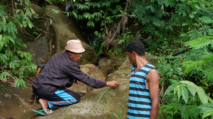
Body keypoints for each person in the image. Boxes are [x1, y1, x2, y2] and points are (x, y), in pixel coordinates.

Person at [32, 40, 120, 115]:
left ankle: (43, 98)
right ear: (72, 52)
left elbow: (44, 67)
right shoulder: (70, 64)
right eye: (79, 53)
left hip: (36, 87)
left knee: (64, 92)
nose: (81, 55)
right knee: (75, 98)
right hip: (47, 90)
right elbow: (87, 80)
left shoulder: (57, 56)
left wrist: (73, 75)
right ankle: (47, 102)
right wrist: (107, 83)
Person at [126, 40, 159, 119]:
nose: (128, 58)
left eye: (128, 55)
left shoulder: (151, 71)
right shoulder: (133, 69)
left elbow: (155, 101)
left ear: (133, 54)